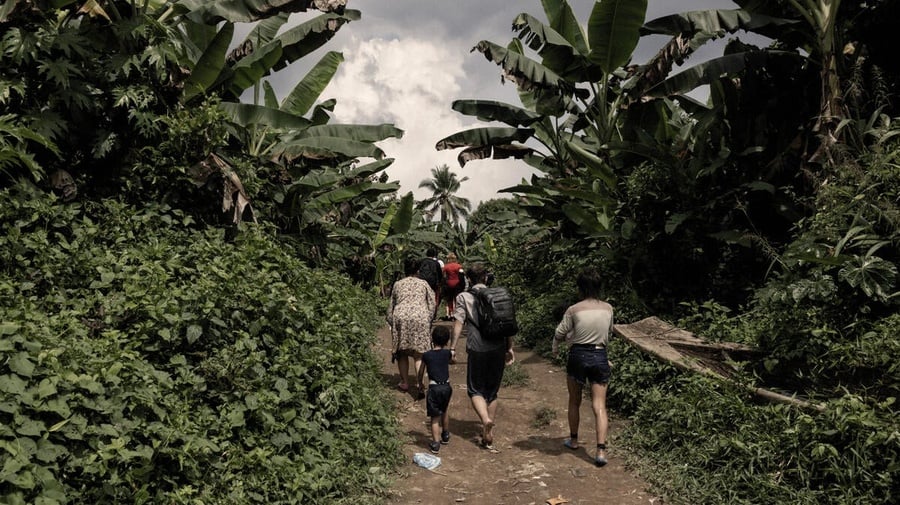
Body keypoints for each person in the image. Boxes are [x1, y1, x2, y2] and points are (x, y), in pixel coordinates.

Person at [449, 263, 515, 450]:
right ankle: (488, 431)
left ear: (469, 279)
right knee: (492, 391)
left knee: (475, 389)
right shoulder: (498, 295)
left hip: (477, 348)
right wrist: (509, 347)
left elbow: (458, 324)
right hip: (498, 346)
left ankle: (485, 420)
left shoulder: (463, 297)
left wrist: (452, 348)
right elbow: (507, 323)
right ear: (486, 278)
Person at [553, 268, 614, 467]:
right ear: (599, 287)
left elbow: (560, 332)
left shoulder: (573, 309)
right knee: (599, 406)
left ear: (580, 288)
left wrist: (562, 341)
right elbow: (608, 334)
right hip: (599, 355)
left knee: (574, 401)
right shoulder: (608, 308)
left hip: (578, 356)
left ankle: (573, 440)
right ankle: (601, 451)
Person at [387, 257, 436, 398]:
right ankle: (420, 384)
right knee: (419, 354)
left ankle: (404, 382)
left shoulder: (398, 284)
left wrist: (392, 322)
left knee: (402, 353)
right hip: (420, 317)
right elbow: (432, 304)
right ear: (418, 270)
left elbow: (391, 305)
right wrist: (428, 319)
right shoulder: (424, 284)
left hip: (401, 317)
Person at [420, 325, 454, 454]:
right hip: (446, 386)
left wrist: (420, 383)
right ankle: (445, 434)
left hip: (434, 388)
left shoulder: (427, 355)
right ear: (446, 341)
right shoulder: (447, 354)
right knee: (444, 410)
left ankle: (436, 442)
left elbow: (421, 371)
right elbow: (453, 361)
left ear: (432, 339)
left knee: (434, 417)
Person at [418, 247, 443, 319]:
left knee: (423, 298)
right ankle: (433, 315)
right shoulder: (436, 263)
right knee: (434, 299)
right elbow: (440, 275)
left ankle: (422, 313)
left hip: (422, 283)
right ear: (434, 255)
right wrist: (440, 283)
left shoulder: (421, 261)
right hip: (433, 284)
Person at [441, 252, 465, 320]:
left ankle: (451, 313)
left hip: (449, 284)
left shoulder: (446, 266)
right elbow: (462, 275)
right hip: (457, 284)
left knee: (450, 299)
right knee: (457, 299)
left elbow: (443, 275)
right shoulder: (459, 266)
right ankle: (456, 314)